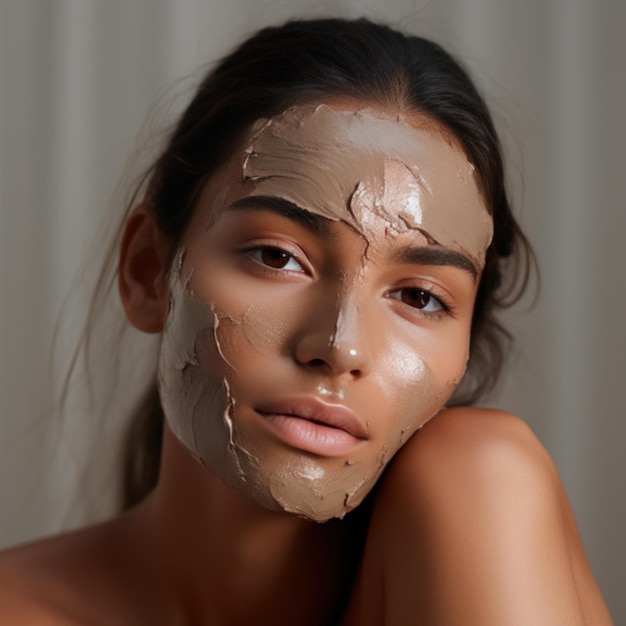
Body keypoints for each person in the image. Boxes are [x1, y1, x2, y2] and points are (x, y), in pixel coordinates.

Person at [0, 17, 613, 626]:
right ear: (147, 271)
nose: (341, 347)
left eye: (420, 298)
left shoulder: (482, 484)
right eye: (277, 257)